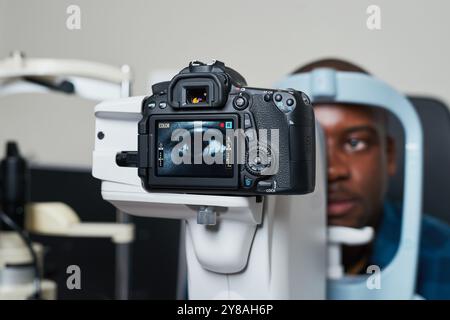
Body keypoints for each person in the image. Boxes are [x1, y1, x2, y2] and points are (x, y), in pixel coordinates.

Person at [291, 58, 450, 299]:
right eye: (309, 145)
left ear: (390, 155)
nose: (333, 171)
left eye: (355, 143)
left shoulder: (443, 257)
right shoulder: (240, 255)